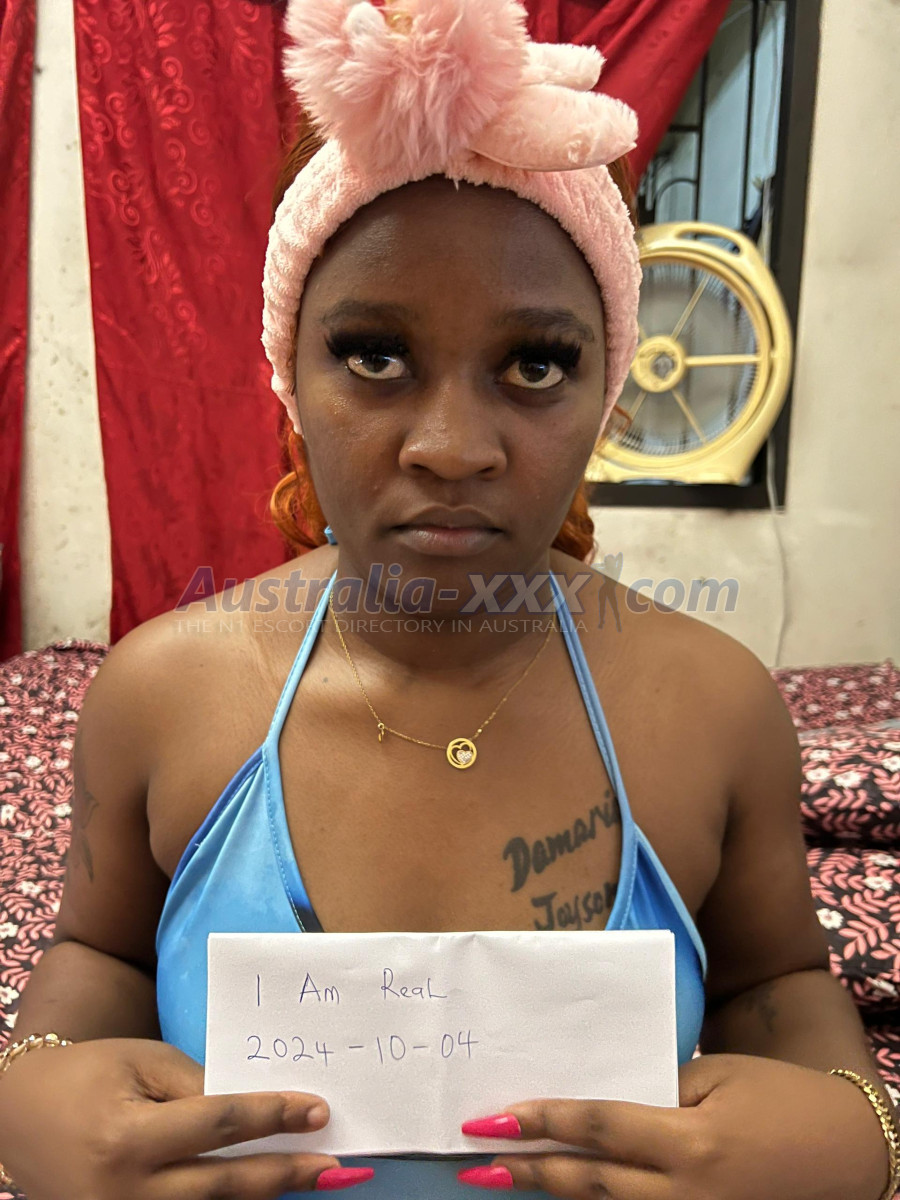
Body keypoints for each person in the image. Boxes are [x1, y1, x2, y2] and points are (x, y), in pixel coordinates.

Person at [0, 1, 896, 1198]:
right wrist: (28, 1093)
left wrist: (855, 1134)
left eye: (535, 364)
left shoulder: (711, 708)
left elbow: (776, 983)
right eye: (375, 354)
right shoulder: (161, 696)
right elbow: (98, 951)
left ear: (607, 387)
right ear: (289, 374)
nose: (453, 446)